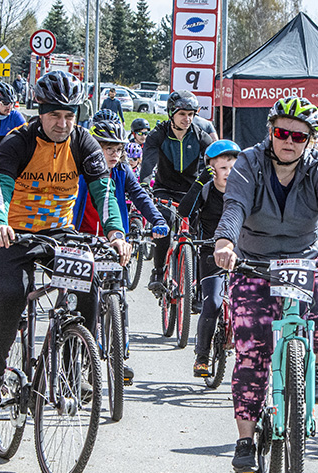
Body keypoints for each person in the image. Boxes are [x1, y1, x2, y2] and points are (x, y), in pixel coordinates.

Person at [211, 96, 318, 473]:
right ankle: (245, 438)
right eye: (282, 132)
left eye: (299, 137)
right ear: (271, 132)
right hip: (255, 261)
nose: (289, 141)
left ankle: (314, 365)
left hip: (306, 257)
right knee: (252, 347)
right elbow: (234, 206)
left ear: (310, 141)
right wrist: (225, 242)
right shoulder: (249, 163)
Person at [0, 70, 130, 419]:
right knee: (10, 297)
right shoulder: (18, 141)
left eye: (69, 116)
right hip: (13, 232)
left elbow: (103, 193)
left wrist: (116, 233)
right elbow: (0, 187)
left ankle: (75, 368)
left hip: (59, 232)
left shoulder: (83, 142)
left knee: (87, 286)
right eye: (54, 115)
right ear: (40, 113)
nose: (62, 123)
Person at [72, 119, 168, 381]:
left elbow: (140, 196)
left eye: (118, 149)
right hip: (82, 240)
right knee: (82, 302)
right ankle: (81, 358)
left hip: (115, 243)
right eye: (107, 149)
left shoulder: (122, 172)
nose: (114, 155)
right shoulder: (80, 170)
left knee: (119, 299)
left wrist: (158, 220)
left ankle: (119, 357)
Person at [176, 140, 240, 377]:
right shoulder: (206, 190)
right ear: (211, 169)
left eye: (232, 168)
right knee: (212, 302)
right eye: (222, 168)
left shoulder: (243, 191)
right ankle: (202, 355)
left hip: (240, 255)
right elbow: (184, 211)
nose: (228, 173)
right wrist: (200, 182)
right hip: (210, 253)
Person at [141, 90, 213, 293]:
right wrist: (145, 185)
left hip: (190, 192)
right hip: (164, 189)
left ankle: (198, 284)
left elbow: (215, 158)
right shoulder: (159, 134)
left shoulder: (200, 136)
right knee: (163, 222)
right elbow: (148, 161)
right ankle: (158, 271)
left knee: (199, 234)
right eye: (182, 114)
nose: (187, 119)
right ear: (171, 113)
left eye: (191, 114)